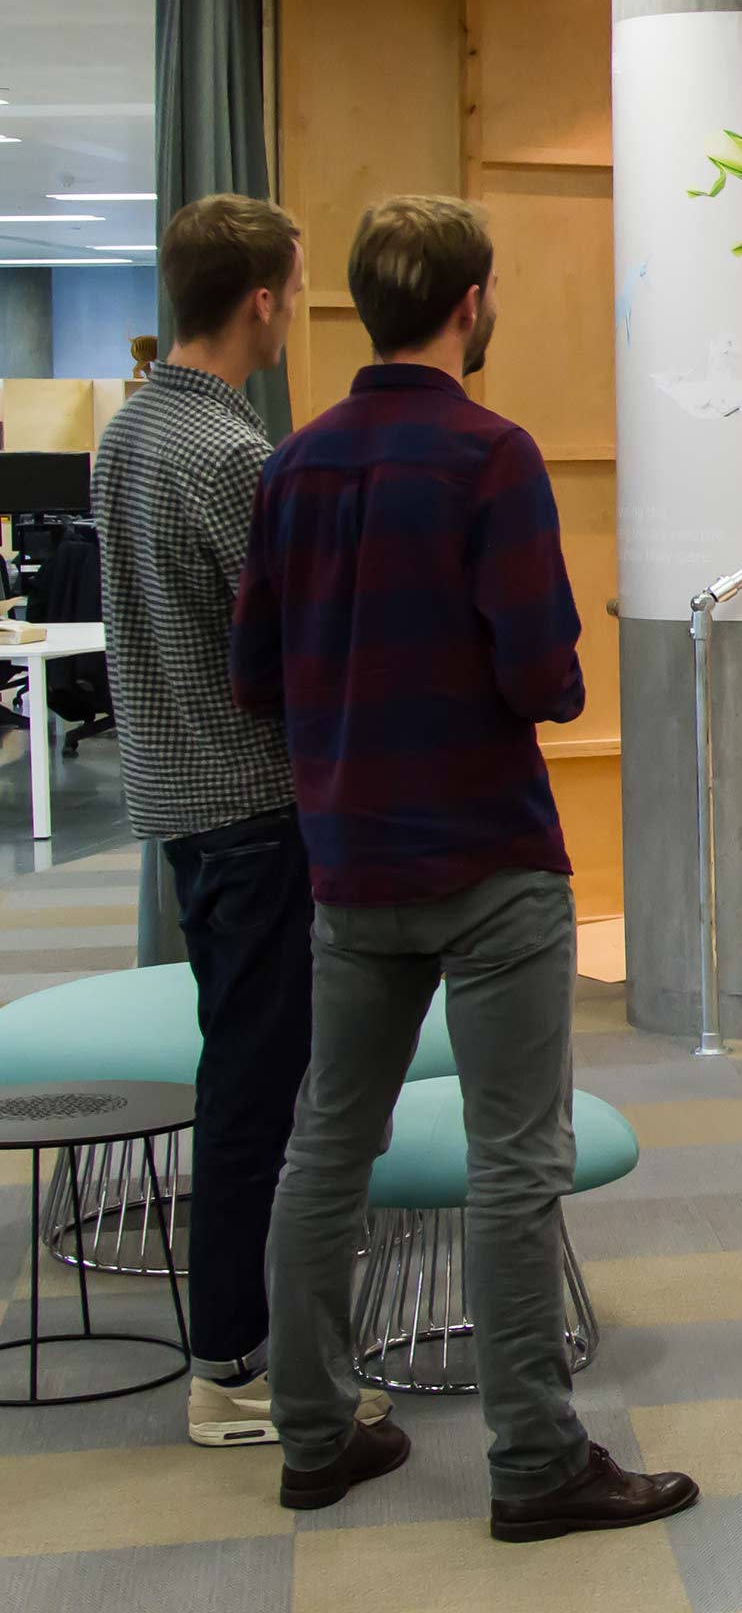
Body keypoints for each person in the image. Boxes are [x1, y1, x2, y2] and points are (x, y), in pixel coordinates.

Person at [241, 196, 695, 1537]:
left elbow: (254, 673)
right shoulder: (492, 458)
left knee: (327, 1145)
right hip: (489, 862)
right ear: (473, 301)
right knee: (514, 1162)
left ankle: (314, 1435)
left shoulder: (295, 464)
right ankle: (536, 1462)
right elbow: (542, 676)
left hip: (347, 860)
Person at [93, 195, 352, 1448]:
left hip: (183, 807)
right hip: (255, 808)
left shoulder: (129, 433)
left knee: (241, 1073)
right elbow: (286, 652)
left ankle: (243, 1340)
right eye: (297, 288)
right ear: (263, 299)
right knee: (257, 1089)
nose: (300, 310)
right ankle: (233, 1366)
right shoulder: (234, 461)